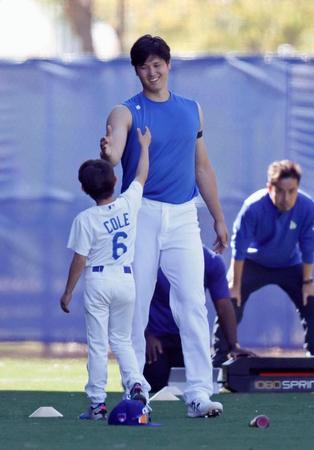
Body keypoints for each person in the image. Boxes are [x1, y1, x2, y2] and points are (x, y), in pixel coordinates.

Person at [100, 34, 229, 418]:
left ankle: (199, 393)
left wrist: (219, 217)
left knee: (191, 302)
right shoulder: (126, 111)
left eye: (158, 64)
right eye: (144, 66)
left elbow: (202, 167)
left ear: (169, 65)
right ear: (136, 70)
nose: (152, 72)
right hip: (140, 213)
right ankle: (135, 388)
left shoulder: (193, 110)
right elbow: (115, 150)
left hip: (184, 216)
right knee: (135, 303)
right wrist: (108, 155)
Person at [59, 127, 152, 420]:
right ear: (114, 181)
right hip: (125, 278)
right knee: (122, 340)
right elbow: (141, 176)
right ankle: (136, 385)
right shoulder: (128, 203)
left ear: (85, 189)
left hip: (99, 279)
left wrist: (69, 290)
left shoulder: (85, 219)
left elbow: (80, 259)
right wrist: (144, 145)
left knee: (99, 344)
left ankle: (98, 403)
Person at [212, 160, 314, 367]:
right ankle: (218, 362)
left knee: (311, 297)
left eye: (292, 191)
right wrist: (236, 285)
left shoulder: (307, 207)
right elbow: (239, 247)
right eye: (281, 191)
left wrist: (308, 281)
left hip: (290, 265)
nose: (286, 198)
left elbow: (308, 246)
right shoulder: (253, 207)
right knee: (231, 299)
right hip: (253, 263)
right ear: (270, 188)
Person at [144, 246, 255, 392]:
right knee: (154, 382)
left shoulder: (211, 261)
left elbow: (223, 305)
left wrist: (233, 344)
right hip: (155, 338)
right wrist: (145, 335)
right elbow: (133, 301)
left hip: (188, 337)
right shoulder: (151, 258)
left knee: (198, 386)